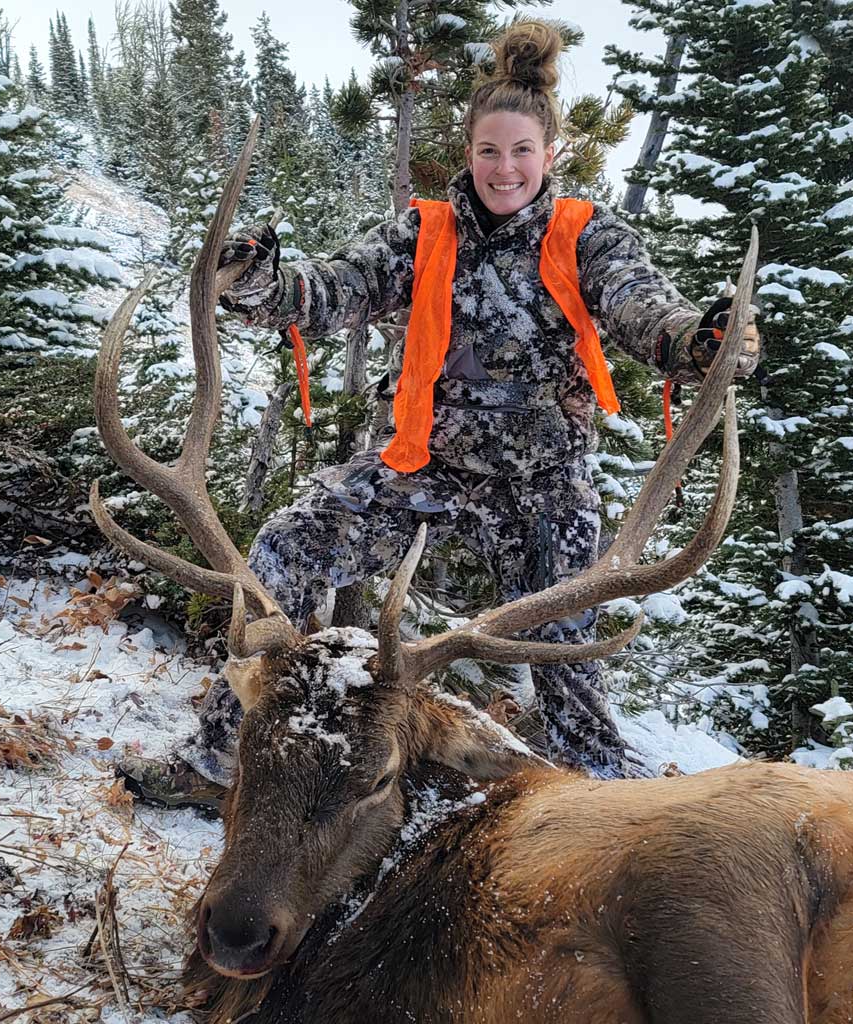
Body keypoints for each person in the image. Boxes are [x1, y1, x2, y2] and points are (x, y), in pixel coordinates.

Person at [121, 20, 759, 810]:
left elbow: (645, 313)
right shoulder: (423, 235)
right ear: (469, 153)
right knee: (283, 553)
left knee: (568, 654)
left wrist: (702, 342)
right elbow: (329, 291)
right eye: (489, 151)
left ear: (551, 154)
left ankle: (613, 810)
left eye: (522, 151)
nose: (505, 168)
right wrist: (255, 280)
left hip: (543, 485)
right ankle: (218, 764)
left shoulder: (587, 238)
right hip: (425, 465)